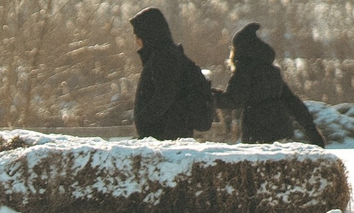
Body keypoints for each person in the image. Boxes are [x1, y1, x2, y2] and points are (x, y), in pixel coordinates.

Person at [216, 23, 325, 145]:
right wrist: (311, 129)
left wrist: (209, 95)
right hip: (282, 129)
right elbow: (292, 101)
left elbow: (234, 100)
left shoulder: (244, 71)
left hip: (258, 130)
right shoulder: (271, 71)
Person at [131, 8, 215, 140]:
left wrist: (143, 119)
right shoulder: (168, 55)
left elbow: (165, 95)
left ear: (148, 34)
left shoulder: (164, 57)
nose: (136, 41)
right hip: (167, 135)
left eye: (138, 36)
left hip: (165, 137)